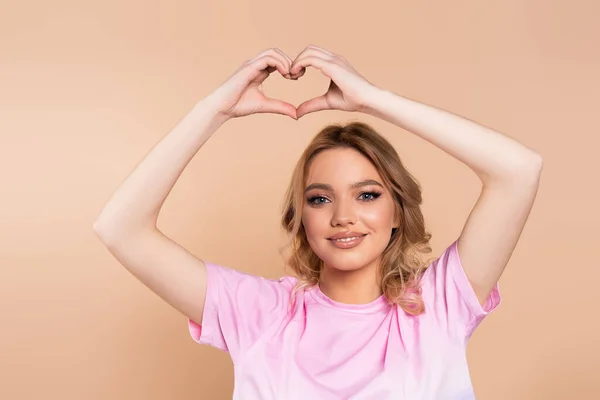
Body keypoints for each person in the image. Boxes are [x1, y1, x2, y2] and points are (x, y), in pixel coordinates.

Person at [93, 45, 543, 399]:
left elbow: (518, 170)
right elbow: (120, 228)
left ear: (397, 214)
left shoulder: (439, 305)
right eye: (320, 198)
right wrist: (215, 110)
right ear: (300, 218)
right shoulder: (259, 314)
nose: (343, 217)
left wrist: (373, 100)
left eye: (367, 195)